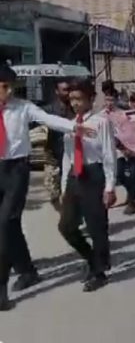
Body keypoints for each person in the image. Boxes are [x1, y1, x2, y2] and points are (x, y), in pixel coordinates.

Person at [0, 65, 93, 311]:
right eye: (3, 86)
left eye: (10, 86)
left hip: (16, 171)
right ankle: (27, 270)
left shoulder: (22, 108)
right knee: (9, 225)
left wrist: (74, 127)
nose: (8, 91)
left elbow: (48, 119)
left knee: (5, 223)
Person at [58, 79, 117, 293]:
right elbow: (67, 155)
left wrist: (110, 186)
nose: (74, 103)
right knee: (66, 226)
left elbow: (109, 155)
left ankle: (99, 272)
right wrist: (64, 183)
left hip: (94, 174)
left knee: (96, 226)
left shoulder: (101, 121)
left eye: (79, 99)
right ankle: (92, 258)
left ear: (90, 99)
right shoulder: (70, 124)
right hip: (75, 175)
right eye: (71, 99)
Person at [43, 77, 74, 211]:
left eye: (69, 89)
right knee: (53, 190)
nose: (68, 93)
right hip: (53, 155)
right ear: (57, 91)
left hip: (71, 154)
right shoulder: (49, 110)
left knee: (71, 188)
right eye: (64, 90)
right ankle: (63, 213)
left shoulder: (74, 108)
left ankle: (70, 216)